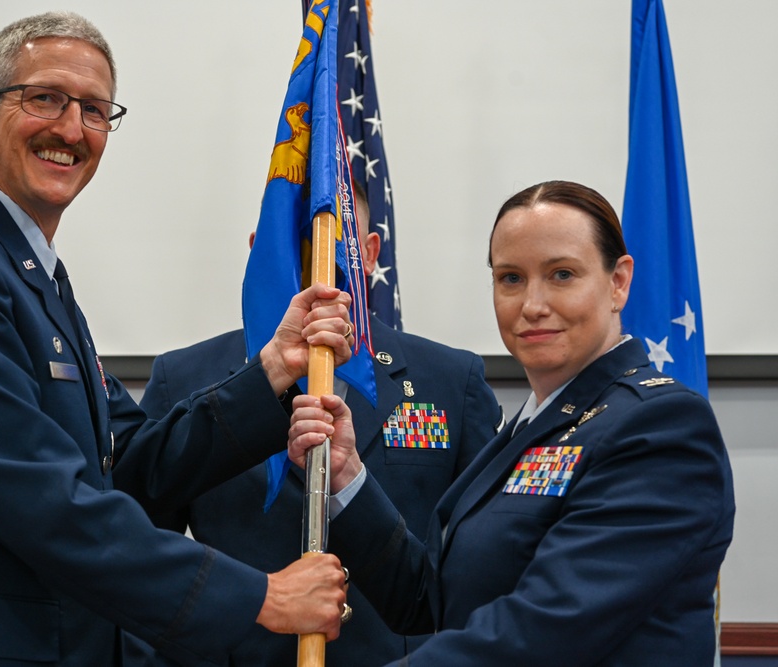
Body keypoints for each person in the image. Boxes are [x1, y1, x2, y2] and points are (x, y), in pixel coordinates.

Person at [0, 12, 354, 666]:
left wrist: (270, 372)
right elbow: (43, 500)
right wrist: (255, 595)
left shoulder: (31, 275)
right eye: (45, 99)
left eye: (94, 110)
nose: (70, 129)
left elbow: (134, 463)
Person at [289, 180, 735, 666]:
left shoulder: (661, 426)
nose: (532, 305)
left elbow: (549, 628)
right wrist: (348, 475)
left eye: (562, 274)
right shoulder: (531, 424)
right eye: (511, 278)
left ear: (618, 282)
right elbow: (429, 599)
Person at [127, 184, 503, 666]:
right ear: (258, 253)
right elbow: (136, 561)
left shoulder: (452, 381)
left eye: (335, 242)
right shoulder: (185, 379)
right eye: (296, 244)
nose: (318, 265)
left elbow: (476, 573)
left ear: (369, 254)